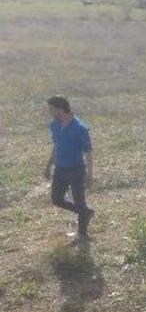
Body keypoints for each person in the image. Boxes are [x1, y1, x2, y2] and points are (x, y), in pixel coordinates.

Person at [43, 95, 95, 244]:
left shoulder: (80, 128)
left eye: (52, 109)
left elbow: (89, 153)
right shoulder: (55, 125)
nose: (50, 112)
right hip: (60, 169)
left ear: (60, 109)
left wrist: (90, 175)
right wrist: (48, 165)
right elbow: (56, 146)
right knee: (57, 199)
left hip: (76, 170)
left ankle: (83, 234)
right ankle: (86, 212)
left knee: (79, 201)